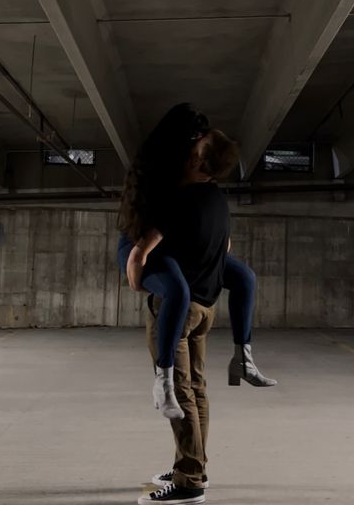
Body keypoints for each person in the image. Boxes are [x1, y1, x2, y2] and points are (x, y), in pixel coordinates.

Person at [118, 104, 276, 417]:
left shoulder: (202, 177)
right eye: (198, 142)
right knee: (178, 290)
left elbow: (210, 224)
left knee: (245, 278)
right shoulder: (162, 171)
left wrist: (215, 250)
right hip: (144, 243)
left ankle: (242, 357)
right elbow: (142, 245)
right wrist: (136, 269)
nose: (201, 173)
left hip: (177, 244)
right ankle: (162, 382)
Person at [138, 130, 231, 504]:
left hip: (179, 311)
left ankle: (189, 481)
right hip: (206, 307)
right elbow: (226, 248)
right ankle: (193, 467)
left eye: (195, 146)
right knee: (196, 390)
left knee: (179, 393)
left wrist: (136, 265)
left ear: (197, 160)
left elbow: (143, 249)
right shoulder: (218, 200)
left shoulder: (183, 199)